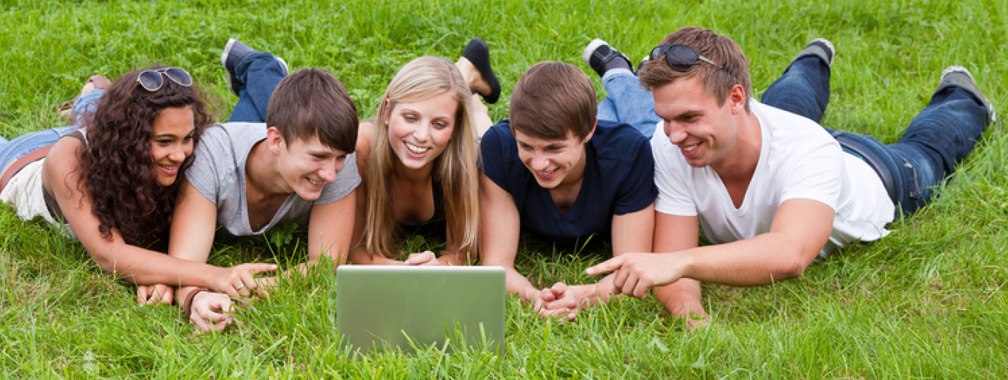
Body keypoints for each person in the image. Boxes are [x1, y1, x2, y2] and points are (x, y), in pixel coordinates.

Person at [585, 27, 996, 324]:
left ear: (735, 98)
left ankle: (964, 96)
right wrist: (694, 320)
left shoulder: (807, 148)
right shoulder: (671, 139)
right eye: (666, 118)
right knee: (790, 101)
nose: (673, 134)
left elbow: (789, 254)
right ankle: (812, 59)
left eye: (689, 117)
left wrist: (680, 262)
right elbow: (671, 265)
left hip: (873, 169)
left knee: (927, 151)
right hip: (767, 137)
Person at [0, 67, 279, 307]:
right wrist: (213, 275)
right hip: (16, 165)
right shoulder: (71, 160)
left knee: (94, 115)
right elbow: (109, 255)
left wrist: (164, 275)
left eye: (187, 137)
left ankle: (94, 92)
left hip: (95, 136)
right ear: (130, 137)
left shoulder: (178, 151)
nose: (180, 154)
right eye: (164, 142)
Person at [164, 39, 361, 333]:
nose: (331, 174)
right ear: (276, 140)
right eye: (318, 156)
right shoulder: (213, 156)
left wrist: (268, 285)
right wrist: (197, 298)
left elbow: (326, 263)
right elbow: (182, 265)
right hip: (235, 149)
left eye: (339, 159)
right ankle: (261, 66)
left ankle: (258, 68)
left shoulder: (337, 159)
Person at [478, 46, 660, 321]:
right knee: (612, 112)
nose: (539, 163)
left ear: (589, 132)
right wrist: (534, 297)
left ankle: (621, 71)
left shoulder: (629, 153)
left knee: (647, 125)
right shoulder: (500, 147)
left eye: (554, 149)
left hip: (616, 140)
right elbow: (495, 264)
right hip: (595, 134)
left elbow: (631, 270)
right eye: (526, 145)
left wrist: (584, 296)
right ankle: (621, 71)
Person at [348, 38, 501, 266]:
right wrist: (409, 271)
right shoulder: (360, 151)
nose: (421, 135)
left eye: (439, 124)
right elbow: (355, 250)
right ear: (387, 111)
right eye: (410, 118)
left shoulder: (466, 157)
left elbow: (463, 253)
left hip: (467, 139)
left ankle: (470, 90)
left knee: (485, 134)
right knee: (444, 100)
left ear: (455, 127)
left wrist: (437, 266)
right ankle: (463, 73)